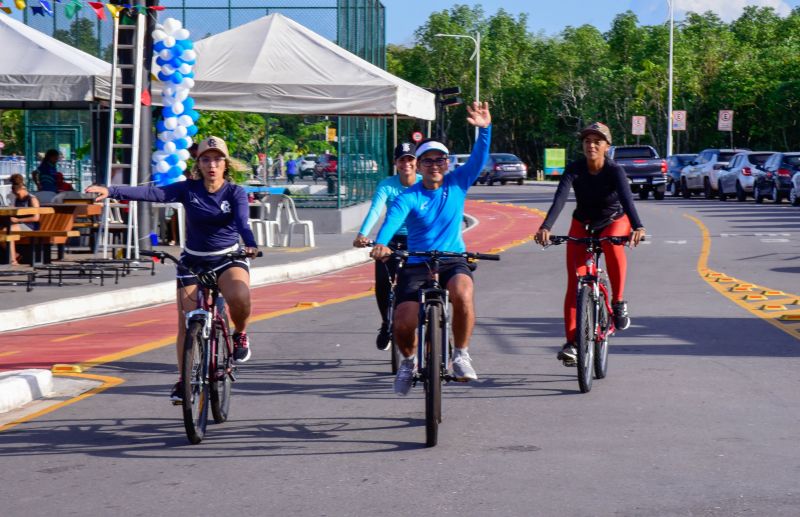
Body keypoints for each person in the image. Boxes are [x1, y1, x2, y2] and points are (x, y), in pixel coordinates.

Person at [86, 136, 259, 402]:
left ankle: (241, 335)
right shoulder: (187, 189)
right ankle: (184, 380)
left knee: (239, 296)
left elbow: (242, 221)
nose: (211, 165)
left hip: (227, 257)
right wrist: (112, 191)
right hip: (193, 259)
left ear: (225, 164)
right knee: (187, 322)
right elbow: (152, 194)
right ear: (198, 164)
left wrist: (250, 244)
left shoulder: (234, 192)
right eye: (205, 159)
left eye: (217, 159)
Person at [371, 101, 492, 395]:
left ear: (447, 164)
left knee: (463, 293)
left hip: (452, 260)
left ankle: (461, 354)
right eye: (428, 161)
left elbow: (478, 158)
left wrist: (485, 129)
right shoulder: (408, 196)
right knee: (403, 321)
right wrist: (381, 244)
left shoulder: (458, 183)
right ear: (419, 166)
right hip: (416, 263)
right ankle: (408, 363)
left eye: (440, 160)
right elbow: (391, 221)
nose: (435, 165)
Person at [534, 122, 646, 364]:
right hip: (583, 222)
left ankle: (617, 303)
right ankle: (573, 343)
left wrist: (637, 226)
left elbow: (627, 201)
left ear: (607, 146)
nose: (591, 145)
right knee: (575, 283)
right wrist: (546, 227)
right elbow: (560, 198)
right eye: (587, 141)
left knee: (610, 244)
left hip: (614, 220)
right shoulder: (575, 169)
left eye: (597, 141)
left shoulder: (614, 171)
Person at [353, 142, 422, 350]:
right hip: (390, 240)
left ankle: (432, 319)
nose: (406, 164)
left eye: (410, 159)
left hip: (418, 240)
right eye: (402, 160)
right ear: (396, 163)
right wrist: (362, 234)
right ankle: (386, 323)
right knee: (383, 281)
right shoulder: (387, 185)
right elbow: (375, 210)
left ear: (416, 163)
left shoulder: (423, 183)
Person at [4, 176, 40, 265]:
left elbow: (36, 218)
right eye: (15, 194)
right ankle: (14, 255)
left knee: (8, 231)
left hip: (31, 226)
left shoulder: (32, 199)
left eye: (18, 193)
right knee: (3, 231)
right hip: (19, 225)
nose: (17, 196)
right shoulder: (17, 199)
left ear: (22, 189)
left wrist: (18, 220)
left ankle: (13, 260)